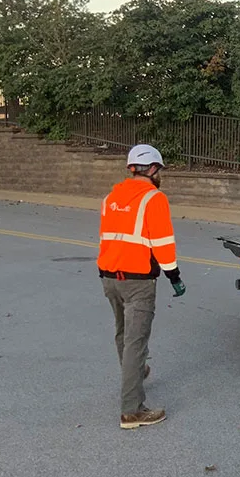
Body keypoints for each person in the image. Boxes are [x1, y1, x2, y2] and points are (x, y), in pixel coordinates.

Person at [98, 144, 185, 430]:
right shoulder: (154, 198)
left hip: (109, 278)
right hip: (138, 281)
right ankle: (132, 411)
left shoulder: (111, 197)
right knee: (136, 342)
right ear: (153, 169)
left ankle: (134, 373)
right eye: (159, 169)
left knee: (123, 334)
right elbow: (162, 244)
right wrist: (174, 277)